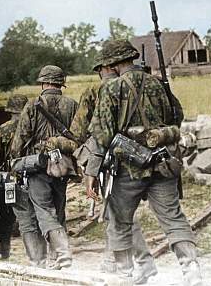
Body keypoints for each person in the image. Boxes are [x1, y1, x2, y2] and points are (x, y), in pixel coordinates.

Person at [85, 39, 202, 286]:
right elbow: (177, 117)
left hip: (128, 169)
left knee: (119, 220)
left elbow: (103, 135)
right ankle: (191, 268)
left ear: (114, 65)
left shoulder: (111, 88)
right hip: (163, 163)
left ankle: (125, 273)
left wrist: (93, 171)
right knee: (173, 218)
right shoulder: (159, 84)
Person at [71, 51, 157, 284]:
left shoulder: (95, 91)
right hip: (137, 156)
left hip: (108, 159)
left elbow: (79, 130)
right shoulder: (138, 85)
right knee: (116, 212)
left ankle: (139, 262)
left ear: (103, 68)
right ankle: (113, 260)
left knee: (117, 213)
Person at [11, 65, 78, 269]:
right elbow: (79, 135)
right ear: (60, 83)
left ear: (43, 82)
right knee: (59, 211)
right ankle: (55, 259)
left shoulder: (33, 105)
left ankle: (63, 253)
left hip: (38, 166)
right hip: (63, 166)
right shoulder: (73, 105)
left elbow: (20, 138)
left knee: (44, 211)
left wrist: (16, 162)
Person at [0, 94, 28, 259]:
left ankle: (5, 250)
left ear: (10, 110)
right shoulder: (35, 126)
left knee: (6, 217)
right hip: (34, 179)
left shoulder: (5, 129)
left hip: (10, 180)